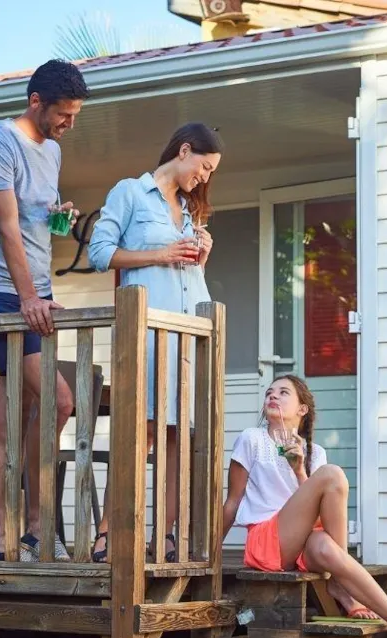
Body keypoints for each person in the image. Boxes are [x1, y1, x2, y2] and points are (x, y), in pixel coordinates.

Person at [222, 375, 387, 638]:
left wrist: (299, 469)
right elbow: (233, 502)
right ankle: (342, 584)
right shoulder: (252, 439)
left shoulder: (315, 452)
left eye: (283, 392)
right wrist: (210, 559)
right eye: (269, 393)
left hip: (305, 542)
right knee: (334, 475)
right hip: (268, 543)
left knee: (326, 547)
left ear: (302, 410)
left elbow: (315, 509)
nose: (273, 396)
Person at [0, 59, 89, 562]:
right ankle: (30, 528)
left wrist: (56, 216)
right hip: (0, 293)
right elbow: (7, 228)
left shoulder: (53, 152)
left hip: (31, 292)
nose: (69, 124)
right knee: (60, 402)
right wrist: (29, 299)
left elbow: (34, 218)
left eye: (75, 115)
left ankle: (3, 540)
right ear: (35, 100)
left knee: (5, 422)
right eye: (63, 114)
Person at [86, 122, 224, 563]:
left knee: (179, 435)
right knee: (140, 433)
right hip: (146, 334)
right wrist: (162, 254)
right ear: (183, 151)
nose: (205, 177)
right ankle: (108, 533)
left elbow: (187, 274)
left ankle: (162, 535)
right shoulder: (130, 193)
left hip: (188, 335)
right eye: (204, 166)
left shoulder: (187, 210)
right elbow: (100, 253)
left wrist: (200, 251)